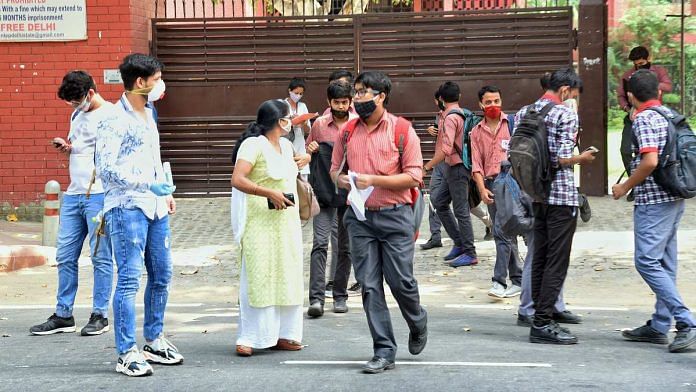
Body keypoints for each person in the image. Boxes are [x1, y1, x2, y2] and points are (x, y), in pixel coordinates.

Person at [330, 71, 428, 374]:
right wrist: (343, 180)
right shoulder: (347, 132)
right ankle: (384, 350)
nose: (357, 98)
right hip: (360, 220)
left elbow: (415, 176)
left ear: (381, 96)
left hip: (396, 216)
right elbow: (335, 170)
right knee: (370, 286)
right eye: (355, 93)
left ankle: (417, 319)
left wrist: (376, 180)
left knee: (401, 281)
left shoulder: (402, 130)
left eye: (362, 93)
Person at [95, 54, 182, 377]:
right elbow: (106, 168)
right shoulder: (113, 119)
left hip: (156, 206)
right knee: (130, 279)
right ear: (140, 82)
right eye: (156, 79)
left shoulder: (149, 113)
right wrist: (148, 183)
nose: (161, 85)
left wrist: (166, 191)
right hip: (126, 207)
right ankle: (126, 351)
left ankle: (154, 339)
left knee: (162, 274)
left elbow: (153, 157)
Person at [612, 70, 696, 353]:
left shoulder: (645, 119)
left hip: (654, 201)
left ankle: (687, 323)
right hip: (674, 195)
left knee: (646, 262)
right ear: (658, 92)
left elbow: (649, 161)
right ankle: (660, 325)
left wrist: (625, 187)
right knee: (666, 262)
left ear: (632, 97)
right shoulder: (667, 113)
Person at [514, 67, 596, 345]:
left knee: (540, 256)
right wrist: (581, 158)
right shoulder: (565, 114)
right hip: (560, 196)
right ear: (564, 91)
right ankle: (543, 322)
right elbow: (560, 157)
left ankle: (540, 312)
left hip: (536, 194)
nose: (573, 99)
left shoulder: (525, 112)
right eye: (572, 94)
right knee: (556, 261)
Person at [30, 71, 114, 337]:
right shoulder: (77, 114)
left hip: (99, 194)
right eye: (71, 103)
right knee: (65, 256)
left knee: (100, 256)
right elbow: (81, 146)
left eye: (78, 101)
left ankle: (100, 314)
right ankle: (63, 314)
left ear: (91, 92)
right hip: (73, 194)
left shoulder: (110, 115)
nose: (75, 106)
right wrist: (69, 147)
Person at [230, 99, 306, 358]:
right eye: (288, 117)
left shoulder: (285, 145)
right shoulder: (253, 145)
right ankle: (251, 336)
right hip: (259, 220)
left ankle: (284, 334)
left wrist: (305, 158)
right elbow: (237, 179)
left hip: (286, 221)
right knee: (259, 275)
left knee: (286, 274)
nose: (291, 121)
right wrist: (267, 193)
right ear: (277, 121)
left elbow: (288, 172)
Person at [305, 81, 357, 317]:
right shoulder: (319, 125)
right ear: (329, 102)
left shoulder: (358, 124)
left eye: (344, 102)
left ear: (350, 102)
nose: (340, 106)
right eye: (336, 102)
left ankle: (340, 295)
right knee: (319, 244)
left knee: (345, 247)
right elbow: (307, 152)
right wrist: (312, 148)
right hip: (324, 192)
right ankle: (316, 299)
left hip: (350, 193)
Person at [470, 85, 522, 299]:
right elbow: (476, 165)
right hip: (491, 186)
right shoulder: (475, 132)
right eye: (489, 102)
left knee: (502, 232)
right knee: (506, 232)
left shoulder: (512, 124)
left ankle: (499, 281)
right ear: (481, 104)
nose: (493, 105)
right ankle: (518, 279)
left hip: (511, 184)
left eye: (497, 101)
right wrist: (482, 189)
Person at [423, 81, 478, 267]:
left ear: (440, 98)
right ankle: (460, 243)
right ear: (459, 96)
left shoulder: (450, 118)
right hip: (452, 167)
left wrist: (427, 167)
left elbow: (446, 150)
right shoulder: (457, 114)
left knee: (461, 210)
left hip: (457, 168)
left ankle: (470, 252)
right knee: (439, 201)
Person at [617, 46, 672, 114]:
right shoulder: (628, 75)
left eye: (641, 63)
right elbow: (620, 95)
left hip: (655, 110)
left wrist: (651, 84)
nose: (638, 67)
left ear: (648, 59)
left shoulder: (659, 71)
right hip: (634, 112)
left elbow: (668, 87)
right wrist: (628, 109)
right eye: (635, 64)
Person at [284, 77, 314, 179]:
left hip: (300, 145)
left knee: (303, 179)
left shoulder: (303, 106)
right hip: (286, 145)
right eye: (296, 93)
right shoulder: (282, 105)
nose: (298, 96)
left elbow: (308, 131)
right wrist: (290, 121)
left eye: (301, 94)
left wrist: (303, 123)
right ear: (290, 90)